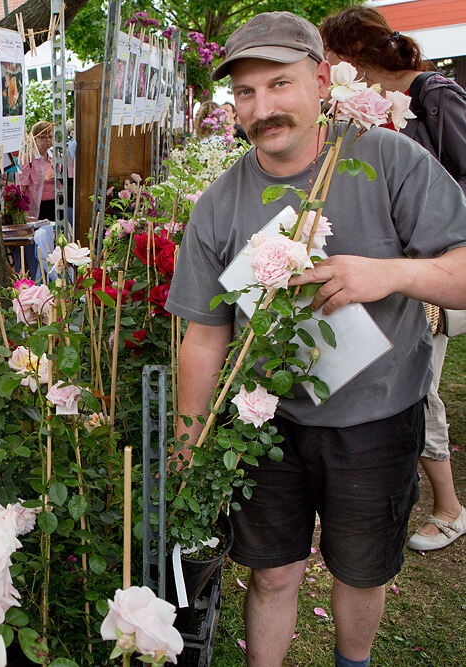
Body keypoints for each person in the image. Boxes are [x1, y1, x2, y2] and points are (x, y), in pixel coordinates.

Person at [166, 12, 466, 667]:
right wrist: (188, 439)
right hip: (267, 422)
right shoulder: (220, 202)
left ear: (322, 78)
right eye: (245, 93)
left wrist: (386, 273)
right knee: (271, 571)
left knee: (360, 571)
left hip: (376, 416)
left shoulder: (388, 160)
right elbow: (203, 334)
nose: (263, 107)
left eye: (279, 84)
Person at [321, 6, 466, 552]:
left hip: (426, 268)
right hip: (386, 272)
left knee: (417, 383)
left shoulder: (434, 95)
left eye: (330, 56)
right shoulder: (366, 109)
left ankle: (448, 507)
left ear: (351, 54)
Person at [15, 120, 56, 220]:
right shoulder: (27, 158)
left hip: (55, 205)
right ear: (34, 138)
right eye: (43, 137)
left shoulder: (55, 156)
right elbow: (21, 189)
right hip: (35, 208)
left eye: (50, 136)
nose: (48, 140)